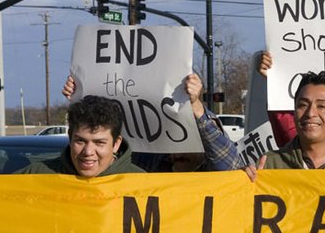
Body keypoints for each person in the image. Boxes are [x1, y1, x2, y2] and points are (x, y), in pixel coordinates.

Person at [62, 73, 242, 172]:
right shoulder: (148, 165)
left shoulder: (214, 173)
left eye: (182, 139)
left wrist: (195, 105)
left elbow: (229, 164)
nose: (175, 152)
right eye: (169, 139)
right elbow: (105, 160)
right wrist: (81, 96)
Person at [19, 95, 144, 177]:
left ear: (116, 144)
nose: (88, 152)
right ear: (70, 137)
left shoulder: (142, 183)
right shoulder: (36, 175)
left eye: (99, 143)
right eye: (80, 141)